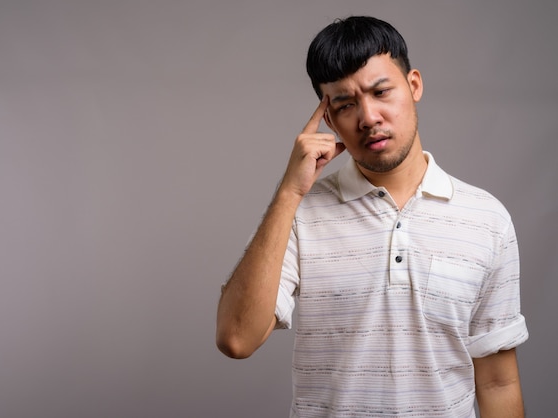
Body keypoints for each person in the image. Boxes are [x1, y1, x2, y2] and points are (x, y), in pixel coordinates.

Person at [216, 15, 528, 417]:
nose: (368, 118)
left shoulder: (487, 219)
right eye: (345, 105)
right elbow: (236, 339)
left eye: (381, 92)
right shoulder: (298, 214)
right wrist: (289, 192)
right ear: (328, 120)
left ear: (413, 85)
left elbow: (497, 380)